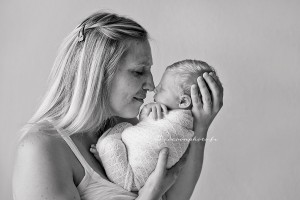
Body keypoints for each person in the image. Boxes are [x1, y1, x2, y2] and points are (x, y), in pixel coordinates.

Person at [12, 11, 223, 200]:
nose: (151, 85)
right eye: (139, 72)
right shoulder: (41, 148)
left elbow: (174, 197)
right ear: (98, 75)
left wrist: (200, 126)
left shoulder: (130, 127)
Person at [90, 59, 218, 192]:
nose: (154, 88)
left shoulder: (178, 125)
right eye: (139, 71)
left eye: (162, 89)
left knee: (109, 142)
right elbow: (145, 142)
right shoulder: (175, 121)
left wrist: (145, 119)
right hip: (133, 174)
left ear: (183, 101)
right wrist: (146, 119)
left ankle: (106, 158)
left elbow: (155, 140)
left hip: (131, 179)